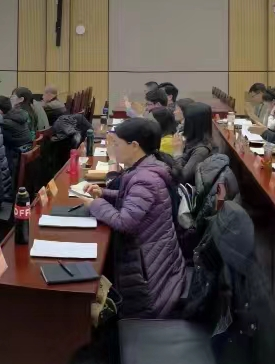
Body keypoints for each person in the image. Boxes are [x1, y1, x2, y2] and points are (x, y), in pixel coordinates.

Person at [82, 118, 185, 318]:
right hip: (155, 265)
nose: (114, 149)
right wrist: (104, 193)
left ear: (134, 146)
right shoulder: (149, 167)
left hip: (145, 284)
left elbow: (125, 222)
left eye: (117, 144)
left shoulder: (145, 179)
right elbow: (134, 199)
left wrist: (94, 204)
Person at [169, 101, 214, 183]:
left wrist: (177, 153)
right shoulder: (192, 140)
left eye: (185, 119)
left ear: (193, 123)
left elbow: (182, 178)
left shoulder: (201, 150)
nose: (183, 122)